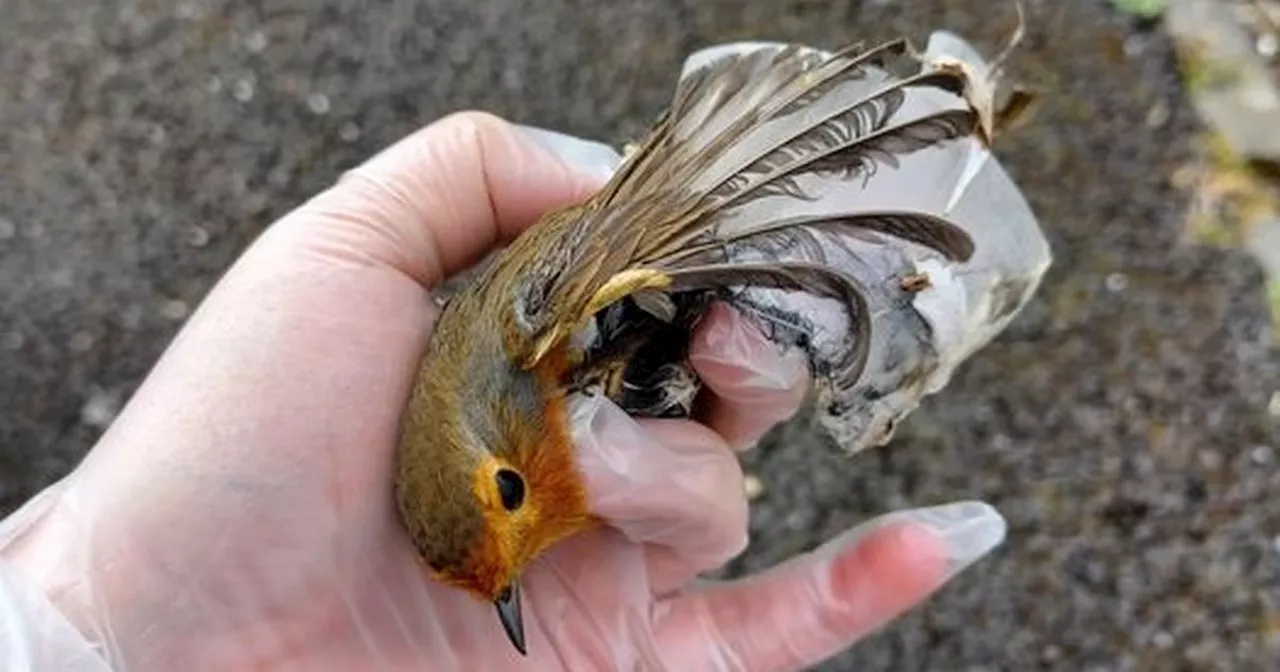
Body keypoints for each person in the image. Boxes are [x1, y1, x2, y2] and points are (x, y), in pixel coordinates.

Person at [0, 111, 1006, 671]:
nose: (523, 550)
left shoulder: (541, 312)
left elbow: (713, 170)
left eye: (510, 509)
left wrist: (93, 619)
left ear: (501, 455)